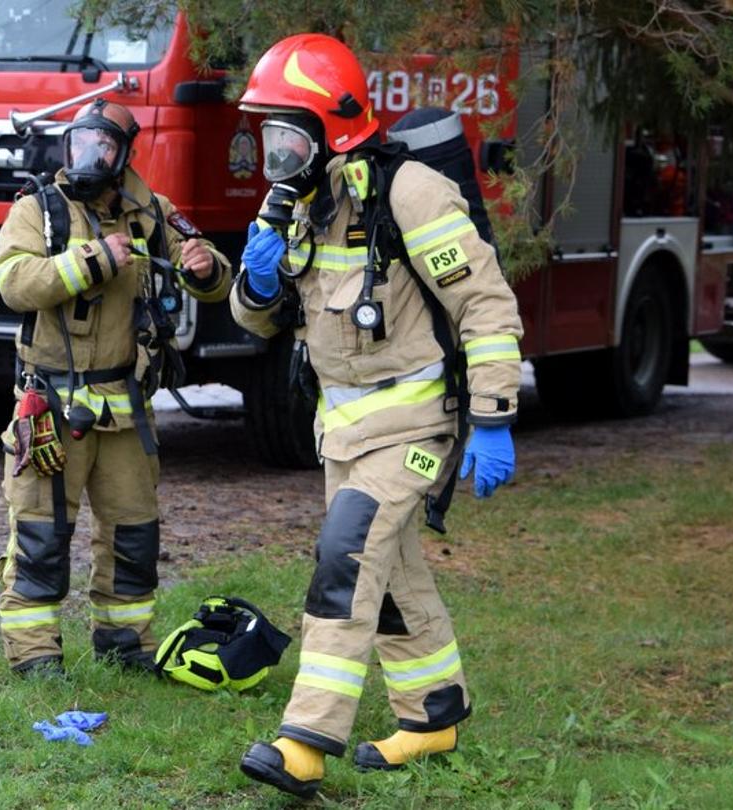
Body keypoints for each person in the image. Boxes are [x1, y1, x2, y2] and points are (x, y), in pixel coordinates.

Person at [228, 33, 524, 799]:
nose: (277, 153)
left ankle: (305, 740)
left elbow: (485, 304)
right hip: (344, 432)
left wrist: (493, 415)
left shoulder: (411, 193)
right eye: (269, 135)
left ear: (333, 128)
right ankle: (433, 716)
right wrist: (257, 283)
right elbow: (260, 320)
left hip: (415, 428)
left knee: (346, 557)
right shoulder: (296, 206)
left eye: (290, 134)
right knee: (390, 572)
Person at [0, 99, 232, 678]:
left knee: (133, 533)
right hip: (50, 405)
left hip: (126, 410)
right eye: (81, 142)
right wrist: (92, 260)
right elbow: (14, 282)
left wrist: (206, 268)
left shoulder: (152, 212)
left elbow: (213, 276)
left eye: (104, 145)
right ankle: (35, 654)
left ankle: (126, 645)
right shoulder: (38, 209)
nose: (90, 155)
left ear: (124, 154)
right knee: (42, 531)